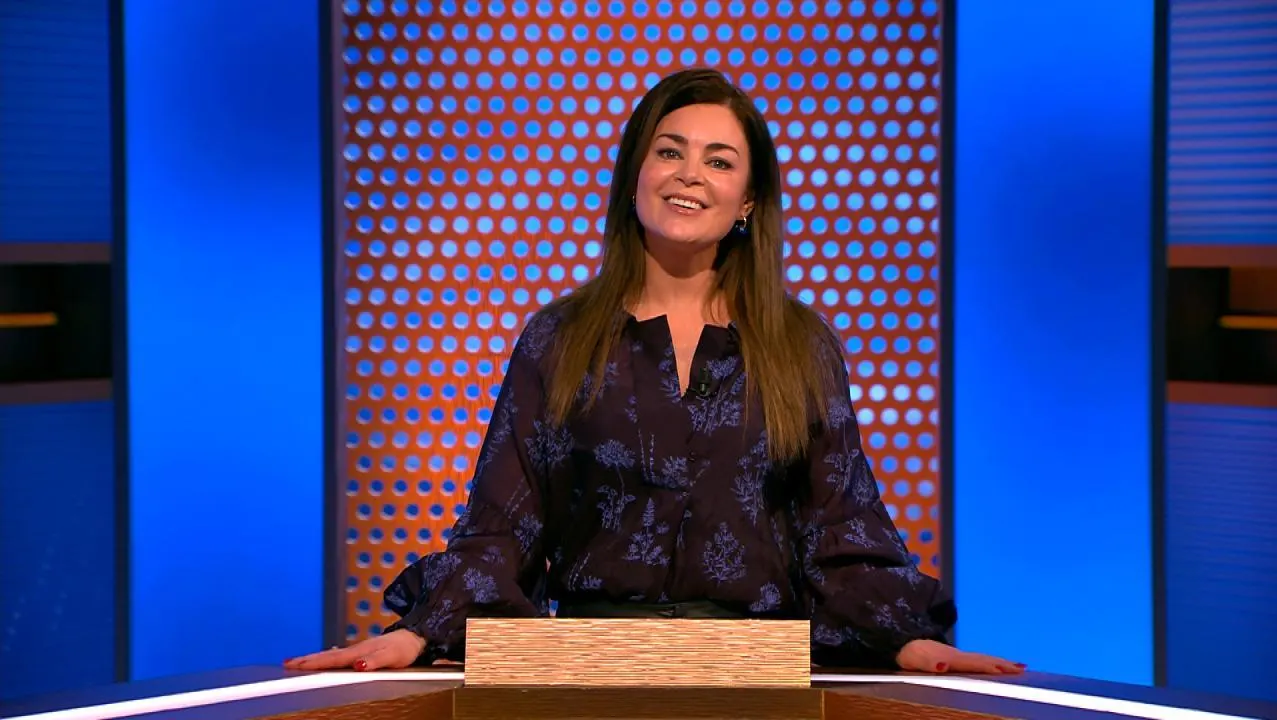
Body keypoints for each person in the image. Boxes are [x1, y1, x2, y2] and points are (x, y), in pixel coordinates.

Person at [286, 68, 1022, 676]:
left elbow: (838, 525)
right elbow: (504, 525)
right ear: (635, 175)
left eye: (719, 161)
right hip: (590, 669)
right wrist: (419, 631)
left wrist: (906, 640)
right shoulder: (558, 338)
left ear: (748, 200)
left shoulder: (800, 345)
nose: (689, 175)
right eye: (669, 152)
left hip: (755, 674)